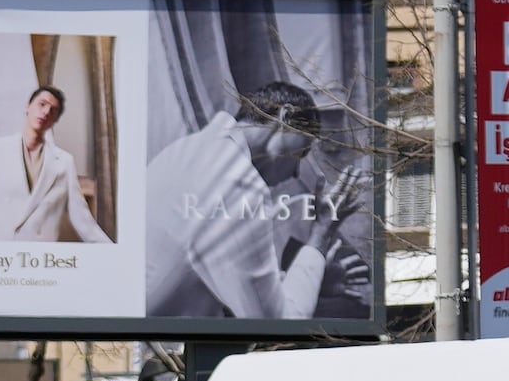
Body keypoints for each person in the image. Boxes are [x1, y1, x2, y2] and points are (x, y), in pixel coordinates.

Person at [140, 82, 373, 322]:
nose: (295, 172)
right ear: (286, 116)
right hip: (165, 348)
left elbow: (227, 276)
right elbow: (279, 323)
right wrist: (321, 234)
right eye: (304, 151)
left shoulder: (186, 150)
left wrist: (311, 280)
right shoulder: (238, 184)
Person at [0, 86, 111, 243]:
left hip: (39, 259)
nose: (46, 111)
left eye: (53, 110)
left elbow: (82, 219)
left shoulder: (64, 162)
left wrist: (115, 254)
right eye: (42, 104)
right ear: (28, 107)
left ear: (55, 120)